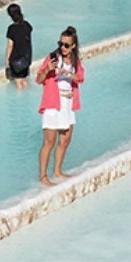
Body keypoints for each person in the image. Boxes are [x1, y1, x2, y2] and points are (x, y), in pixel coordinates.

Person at [36, 26, 84, 185]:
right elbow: (39, 80)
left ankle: (57, 170)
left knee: (65, 140)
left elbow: (80, 78)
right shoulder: (52, 58)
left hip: (67, 104)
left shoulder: (76, 61)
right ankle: (43, 176)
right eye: (61, 43)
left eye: (66, 45)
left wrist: (69, 74)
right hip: (52, 104)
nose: (62, 47)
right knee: (49, 142)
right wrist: (48, 70)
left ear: (73, 46)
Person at [5, 3, 33, 90]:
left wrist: (7, 60)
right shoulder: (27, 26)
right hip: (26, 59)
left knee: (18, 83)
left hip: (16, 60)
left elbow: (10, 46)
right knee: (24, 80)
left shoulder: (11, 29)